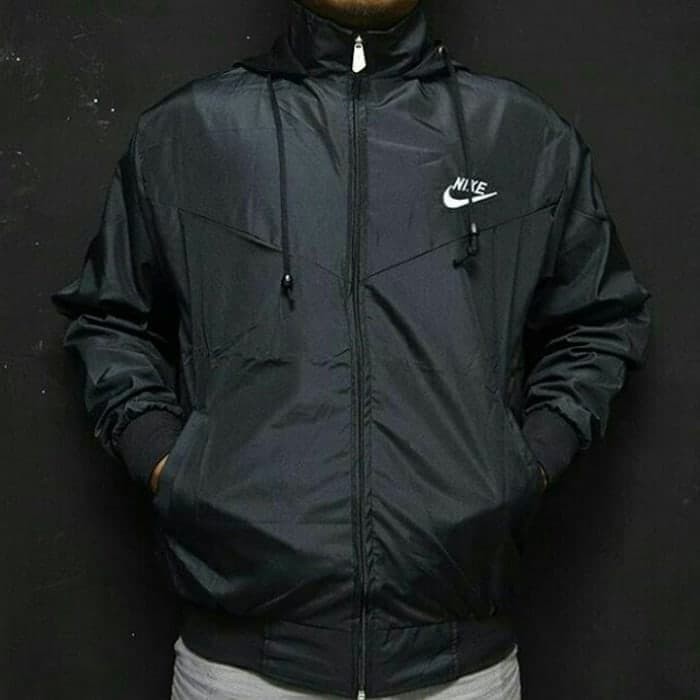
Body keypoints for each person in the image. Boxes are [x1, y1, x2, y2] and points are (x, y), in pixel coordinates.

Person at [50, 0, 653, 698]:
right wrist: (172, 463)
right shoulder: (191, 132)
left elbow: (599, 319)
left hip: (459, 668)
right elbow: (110, 316)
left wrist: (523, 465)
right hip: (244, 670)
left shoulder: (519, 135)